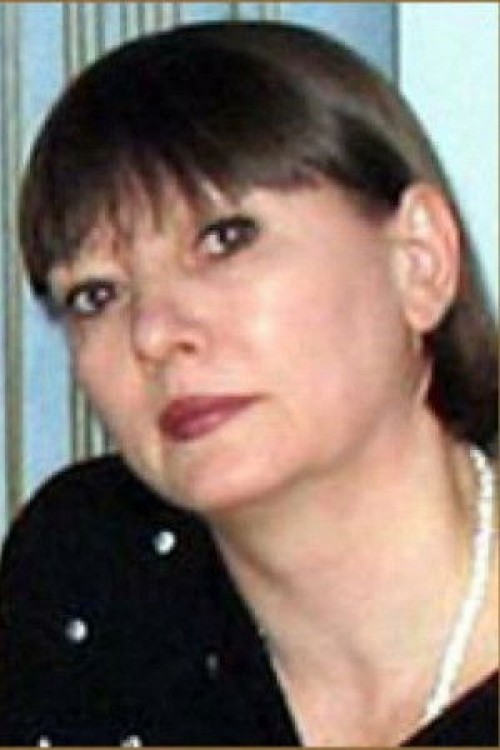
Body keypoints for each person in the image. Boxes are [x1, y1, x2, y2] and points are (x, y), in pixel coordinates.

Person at [0, 19, 497, 748]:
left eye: (225, 240)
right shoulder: (93, 576)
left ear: (419, 261)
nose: (153, 333)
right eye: (96, 295)